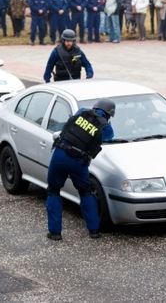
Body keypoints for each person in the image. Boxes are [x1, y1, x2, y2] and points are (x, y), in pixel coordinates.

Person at [47, 98, 115, 240]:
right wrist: (106, 122)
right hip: (79, 161)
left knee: (53, 191)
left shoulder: (82, 111)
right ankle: (94, 231)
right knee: (85, 192)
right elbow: (109, 137)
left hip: (60, 154)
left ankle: (55, 233)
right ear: (109, 114)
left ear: (95, 107)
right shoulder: (105, 127)